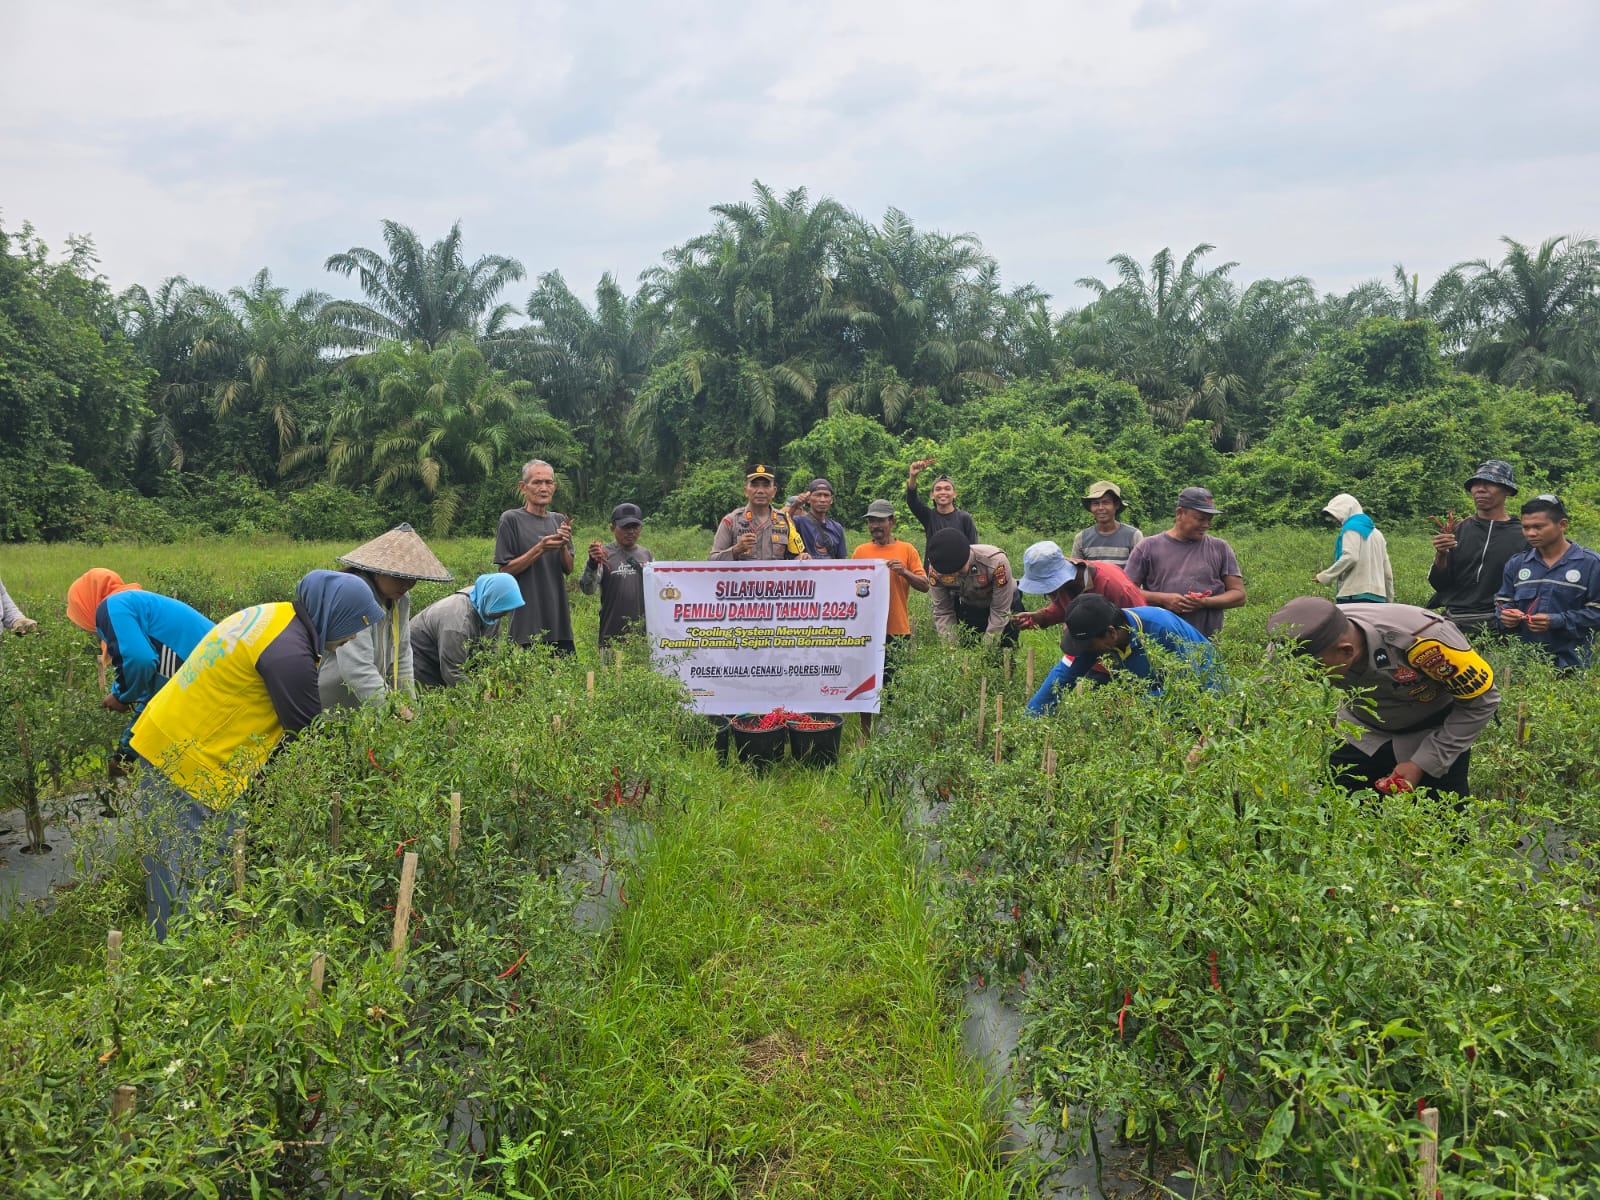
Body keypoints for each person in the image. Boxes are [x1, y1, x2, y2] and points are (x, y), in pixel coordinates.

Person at [130, 570, 384, 939]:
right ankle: (184, 958)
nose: (356, 636)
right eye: (354, 624)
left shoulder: (277, 617)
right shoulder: (289, 655)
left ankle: (195, 941)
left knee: (193, 854)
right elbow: (308, 736)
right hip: (189, 757)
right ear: (334, 614)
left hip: (181, 740)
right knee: (188, 864)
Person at [1267, 596, 1498, 798]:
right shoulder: (1296, 638)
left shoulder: (1426, 639)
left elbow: (1481, 702)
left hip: (1434, 730)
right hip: (1363, 730)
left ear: (1346, 651)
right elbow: (1256, 693)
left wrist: (1422, 763)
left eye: (1312, 670)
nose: (1305, 677)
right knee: (1336, 806)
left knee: (1445, 825)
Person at [65, 568, 214, 776]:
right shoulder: (139, 610)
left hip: (209, 682)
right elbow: (153, 696)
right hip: (219, 674)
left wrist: (122, 697)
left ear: (85, 604)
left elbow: (140, 661)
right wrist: (125, 755)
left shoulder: (112, 606)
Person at [320, 523, 453, 714]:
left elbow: (402, 654)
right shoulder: (354, 598)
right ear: (379, 570)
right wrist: (394, 709)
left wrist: (410, 706)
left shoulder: (401, 600)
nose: (407, 585)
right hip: (334, 700)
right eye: (400, 577)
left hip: (370, 703)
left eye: (412, 578)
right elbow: (357, 668)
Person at [1027, 594, 1220, 715]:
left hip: (1207, 701)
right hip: (1151, 702)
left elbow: (1189, 689)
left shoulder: (1162, 629)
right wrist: (1030, 719)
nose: (1085, 652)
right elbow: (1062, 676)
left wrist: (1132, 704)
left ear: (1111, 633)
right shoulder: (1096, 636)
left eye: (1088, 645)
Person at [1123, 486, 1246, 639]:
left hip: (1207, 643)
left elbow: (1239, 595)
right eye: (1200, 519)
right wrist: (1163, 599)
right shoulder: (1148, 547)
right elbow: (1127, 592)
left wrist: (1204, 602)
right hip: (1161, 641)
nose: (1206, 524)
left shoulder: (1220, 548)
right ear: (1180, 513)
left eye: (1210, 519)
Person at [1495, 494, 1600, 671]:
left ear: (1562, 525)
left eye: (1538, 527)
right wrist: (1505, 616)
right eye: (1526, 527)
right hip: (1524, 665)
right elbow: (1502, 603)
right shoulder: (1517, 564)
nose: (1531, 533)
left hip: (1574, 665)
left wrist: (1557, 621)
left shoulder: (1591, 564)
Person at [851, 500, 929, 734]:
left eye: (880, 520)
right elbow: (850, 586)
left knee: (893, 684)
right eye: (871, 521)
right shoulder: (860, 552)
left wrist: (903, 571)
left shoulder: (906, 550)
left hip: (897, 629)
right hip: (866, 630)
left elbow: (925, 585)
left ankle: (887, 731)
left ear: (892, 522)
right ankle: (865, 733)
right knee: (866, 682)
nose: (875, 525)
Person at [1427, 459, 1524, 635]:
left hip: (1500, 624)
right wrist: (1441, 555)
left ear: (1507, 490)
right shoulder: (1459, 529)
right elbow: (1439, 584)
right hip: (1455, 622)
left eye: (1489, 484)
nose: (1480, 489)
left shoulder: (1522, 535)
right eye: (1476, 484)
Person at [495, 459, 576, 653]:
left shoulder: (558, 520)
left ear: (554, 487)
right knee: (528, 681)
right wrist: (539, 548)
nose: (543, 488)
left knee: (566, 679)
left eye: (548, 483)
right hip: (526, 625)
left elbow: (569, 568)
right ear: (523, 487)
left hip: (559, 622)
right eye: (537, 482)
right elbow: (505, 570)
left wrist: (563, 545)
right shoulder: (511, 519)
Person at [411, 573, 526, 688]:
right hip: (420, 654)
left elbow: (490, 653)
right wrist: (477, 697)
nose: (504, 614)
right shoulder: (458, 624)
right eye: (502, 610)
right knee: (431, 695)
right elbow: (453, 672)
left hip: (444, 651)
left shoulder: (487, 602)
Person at [1012, 540, 1145, 630]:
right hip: (1090, 649)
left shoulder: (1112, 584)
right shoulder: (1065, 586)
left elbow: (1140, 621)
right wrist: (1040, 617)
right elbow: (1064, 608)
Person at [580, 503, 656, 648]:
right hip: (611, 637)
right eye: (625, 527)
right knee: (610, 670)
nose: (631, 531)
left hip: (642, 637)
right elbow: (587, 589)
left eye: (635, 527)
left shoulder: (647, 555)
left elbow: (657, 591)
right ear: (612, 528)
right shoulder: (602, 555)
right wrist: (592, 564)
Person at [926, 528, 1017, 648]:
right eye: (949, 574)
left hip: (1005, 605)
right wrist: (951, 649)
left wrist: (986, 649)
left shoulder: (995, 562)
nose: (954, 576)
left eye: (959, 571)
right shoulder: (937, 568)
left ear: (968, 555)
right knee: (968, 647)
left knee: (1003, 651)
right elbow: (943, 611)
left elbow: (1000, 610)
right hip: (970, 604)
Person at [709, 464, 807, 561]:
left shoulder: (785, 521)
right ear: (746, 491)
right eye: (754, 485)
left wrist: (802, 558)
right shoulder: (731, 521)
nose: (760, 491)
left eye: (766, 485)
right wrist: (736, 550)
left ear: (774, 491)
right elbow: (713, 560)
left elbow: (794, 556)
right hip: (742, 577)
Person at [1314, 493, 1394, 604]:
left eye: (1336, 514)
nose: (1335, 519)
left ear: (1347, 510)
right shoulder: (1378, 535)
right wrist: (1389, 601)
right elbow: (1387, 573)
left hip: (1353, 595)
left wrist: (1325, 576)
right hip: (1378, 598)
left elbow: (1350, 557)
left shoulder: (1351, 528)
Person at [905, 458, 979, 554]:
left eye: (947, 489)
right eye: (938, 489)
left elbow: (973, 548)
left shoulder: (964, 518)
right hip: (933, 568)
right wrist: (913, 476)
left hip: (959, 568)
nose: (943, 492)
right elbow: (912, 501)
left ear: (954, 494)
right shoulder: (929, 516)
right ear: (932, 495)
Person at [1070, 481, 1144, 567]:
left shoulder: (1133, 536)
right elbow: (1076, 572)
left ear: (1116, 505)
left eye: (1106, 502)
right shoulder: (1081, 538)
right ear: (1091, 507)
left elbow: (1140, 572)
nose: (1100, 508)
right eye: (1096, 503)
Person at [792, 478, 847, 559]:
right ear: (808, 499)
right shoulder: (798, 522)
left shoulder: (837, 528)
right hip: (806, 571)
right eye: (818, 495)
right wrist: (794, 506)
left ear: (831, 500)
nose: (822, 500)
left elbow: (841, 560)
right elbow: (783, 524)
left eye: (826, 495)